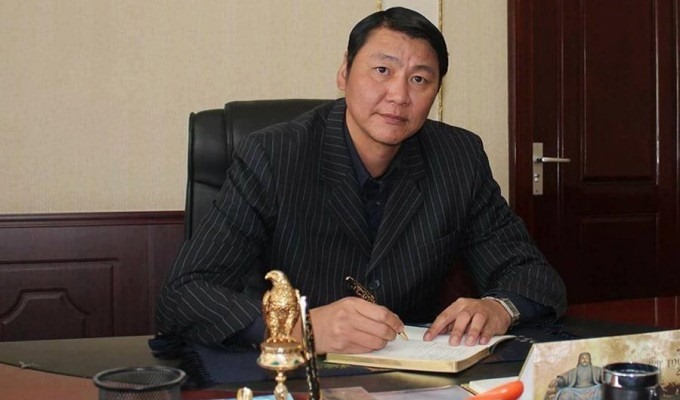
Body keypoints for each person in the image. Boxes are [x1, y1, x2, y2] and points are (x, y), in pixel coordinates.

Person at [155, 6, 567, 355]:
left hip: (413, 373)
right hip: (294, 373)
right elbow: (185, 293)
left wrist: (499, 308)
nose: (399, 95)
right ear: (344, 72)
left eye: (419, 79)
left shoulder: (458, 157)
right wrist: (300, 327)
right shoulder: (273, 155)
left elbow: (532, 275)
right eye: (382, 70)